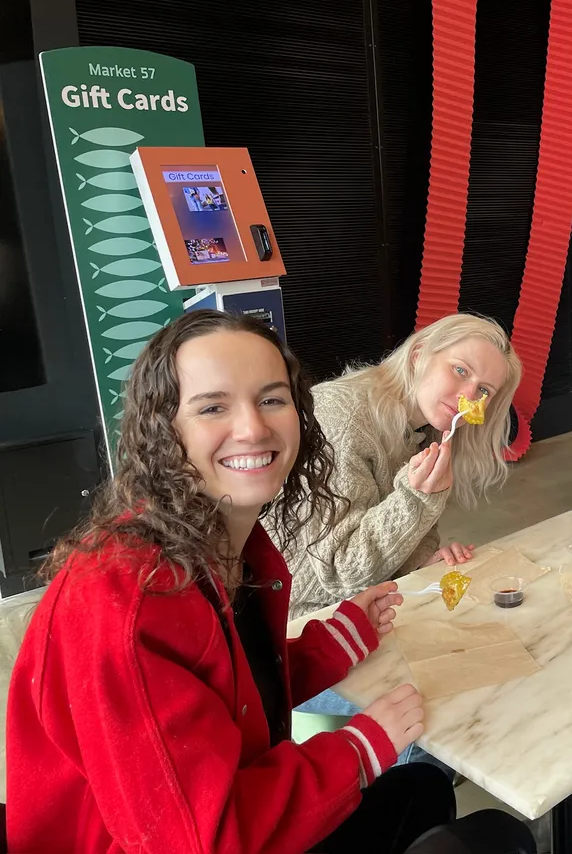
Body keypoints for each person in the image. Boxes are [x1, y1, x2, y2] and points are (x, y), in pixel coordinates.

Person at [5, 310, 533, 854]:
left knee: (421, 791)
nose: (253, 428)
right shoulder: (127, 601)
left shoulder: (233, 544)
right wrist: (357, 749)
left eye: (272, 399)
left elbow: (231, 685)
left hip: (244, 798)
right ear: (164, 429)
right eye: (213, 406)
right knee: (498, 835)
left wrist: (336, 642)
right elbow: (199, 839)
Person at [280, 313, 522, 622]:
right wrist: (416, 498)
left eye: (484, 391)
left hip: (368, 605)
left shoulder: (428, 428)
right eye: (460, 370)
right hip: (298, 622)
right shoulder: (343, 417)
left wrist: (422, 560)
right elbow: (341, 570)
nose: (468, 398)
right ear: (419, 355)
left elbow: (403, 536)